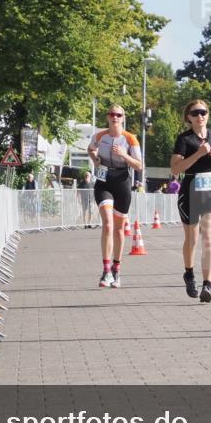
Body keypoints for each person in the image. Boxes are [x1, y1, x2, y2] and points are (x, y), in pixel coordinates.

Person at [170, 99, 211, 303]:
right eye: (195, 113)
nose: (200, 116)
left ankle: (207, 285)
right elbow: (175, 169)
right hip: (190, 191)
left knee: (208, 238)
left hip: (210, 190)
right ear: (189, 117)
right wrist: (198, 154)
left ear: (208, 115)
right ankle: (189, 274)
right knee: (192, 239)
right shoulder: (184, 139)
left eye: (203, 112)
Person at [87, 104, 143, 288]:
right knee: (108, 224)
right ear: (107, 117)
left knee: (119, 229)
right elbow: (90, 149)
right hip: (104, 182)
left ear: (123, 118)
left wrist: (124, 155)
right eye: (112, 114)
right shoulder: (99, 136)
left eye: (118, 115)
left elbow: (139, 165)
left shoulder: (130, 138)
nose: (115, 117)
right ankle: (106, 270)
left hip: (122, 182)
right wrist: (95, 159)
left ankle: (116, 269)